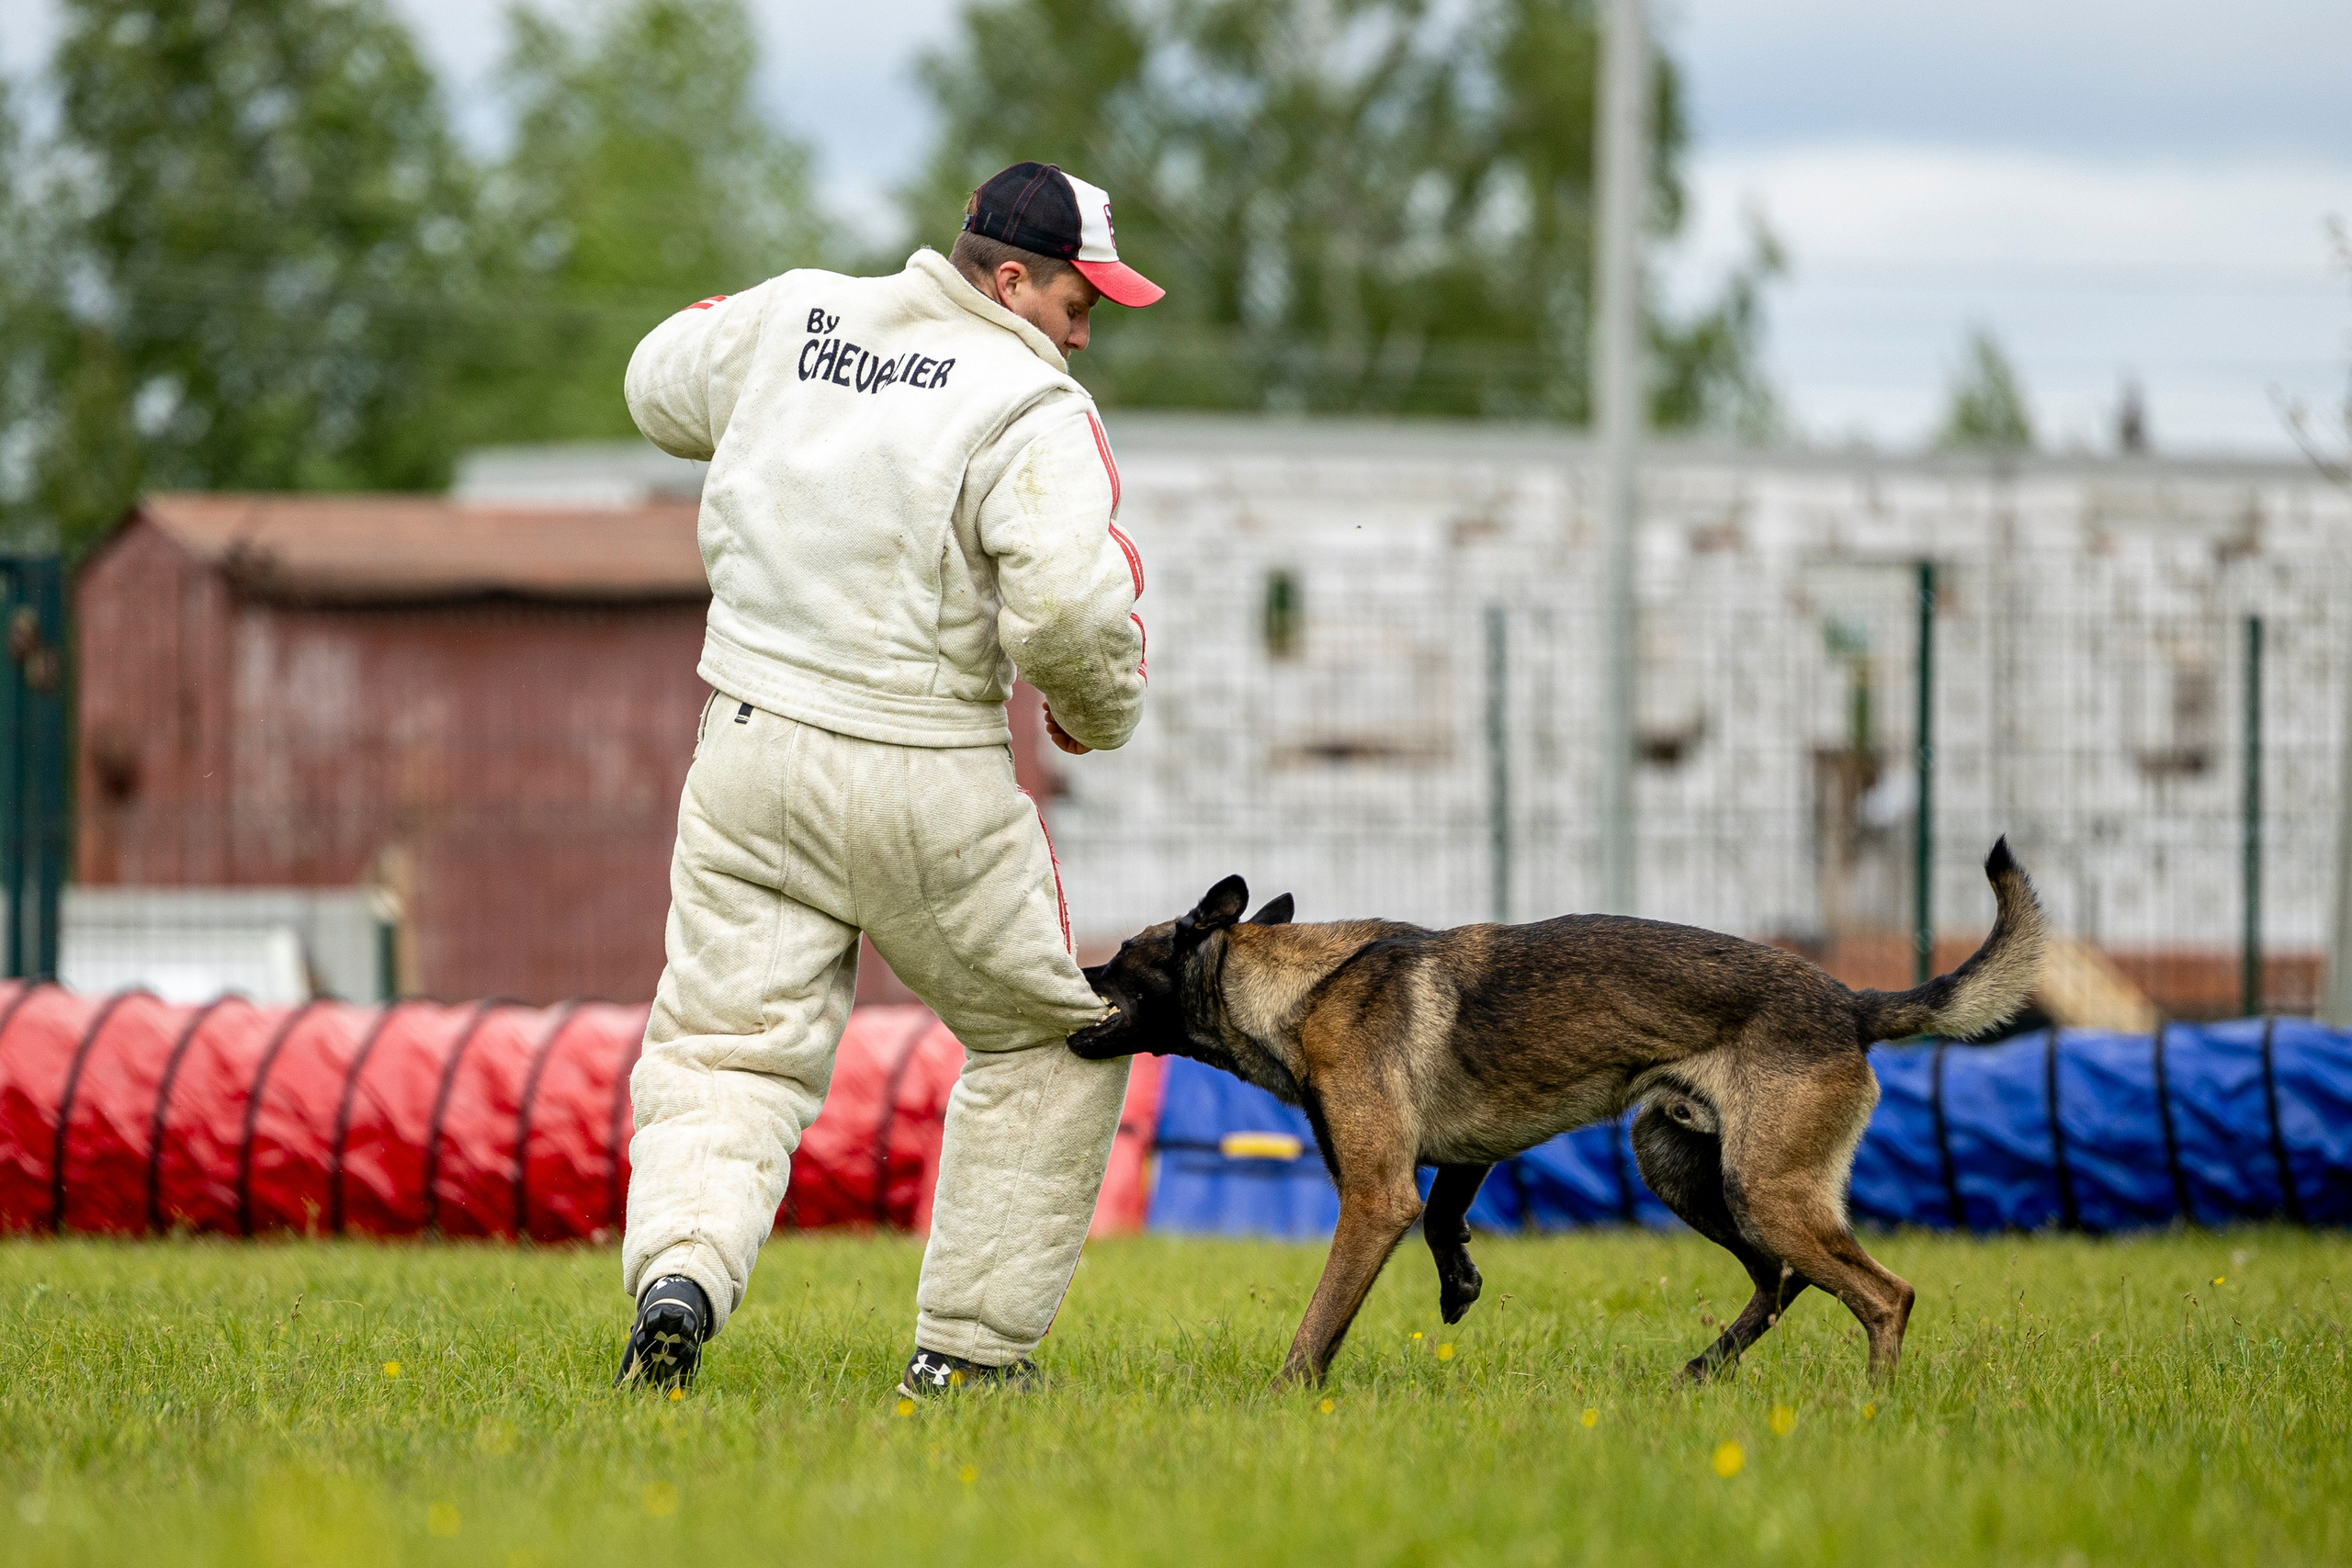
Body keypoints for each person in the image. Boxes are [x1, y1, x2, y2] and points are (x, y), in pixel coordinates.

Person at [611, 164, 1163, 1396]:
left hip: (750, 747)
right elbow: (1068, 614)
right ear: (1011, 282)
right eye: (1079, 306)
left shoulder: (798, 310)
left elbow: (655, 383)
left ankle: (681, 1277)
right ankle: (969, 1356)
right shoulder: (1034, 403)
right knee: (1048, 1045)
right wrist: (1097, 713)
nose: (1085, 336)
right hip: (927, 771)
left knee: (725, 1048)